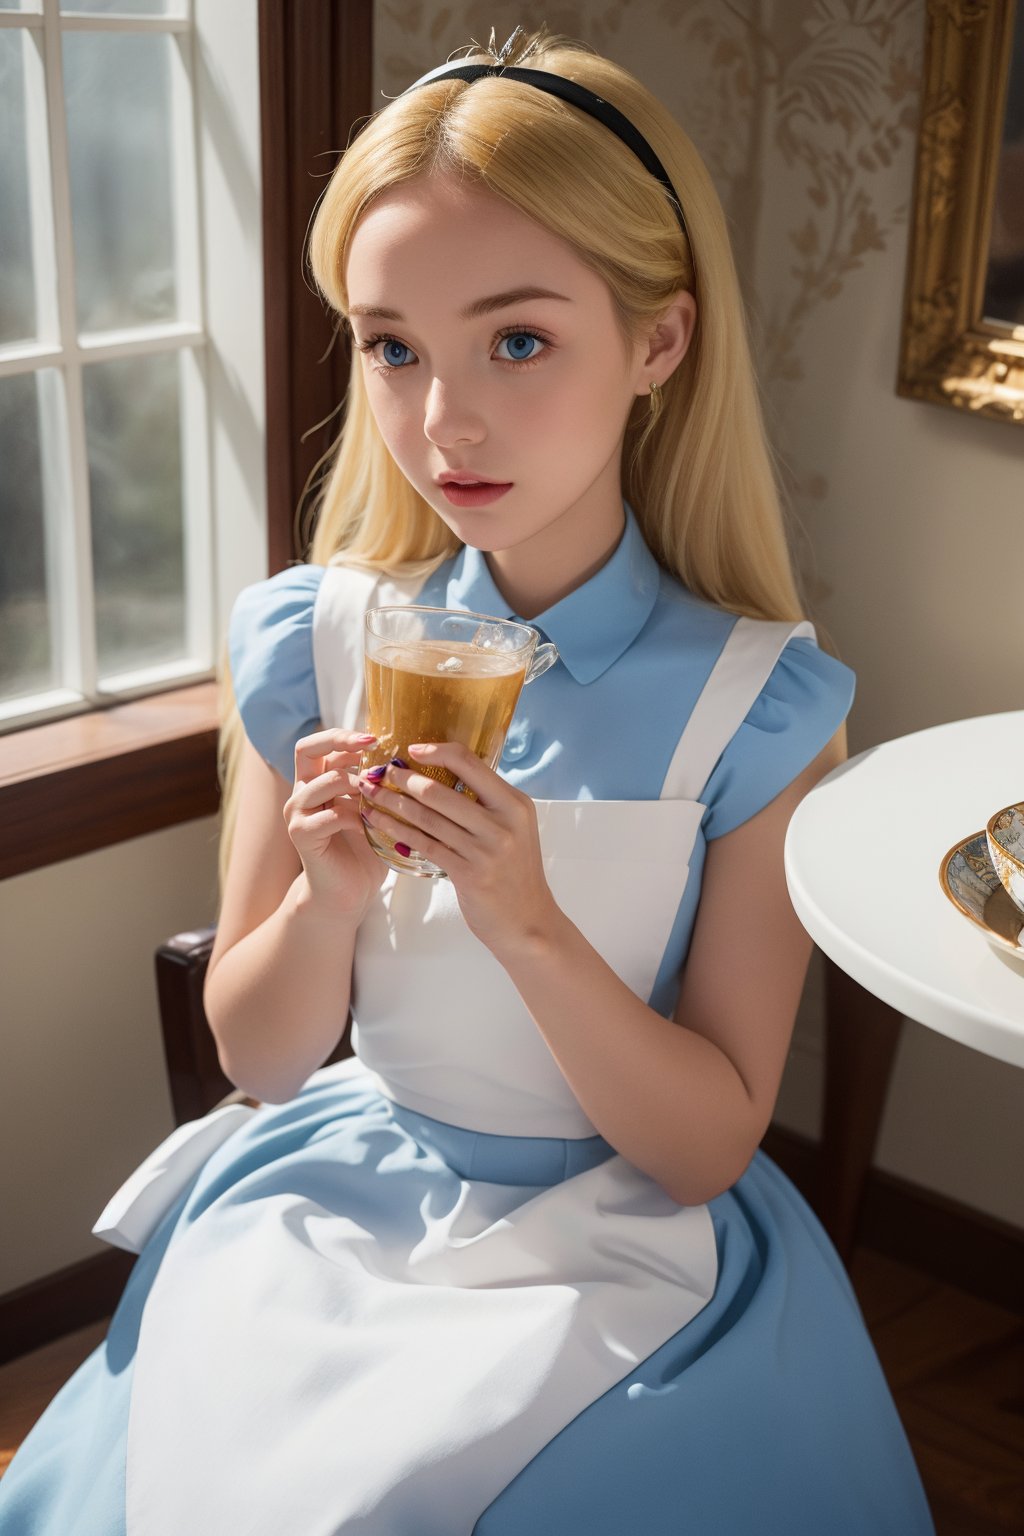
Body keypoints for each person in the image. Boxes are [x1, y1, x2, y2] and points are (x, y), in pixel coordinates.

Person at [0, 26, 935, 1536]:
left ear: (660, 342)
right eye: (392, 347)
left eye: (516, 340)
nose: (446, 422)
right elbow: (259, 1059)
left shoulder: (761, 705)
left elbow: (706, 1144)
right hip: (343, 1201)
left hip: (627, 1247)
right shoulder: (313, 639)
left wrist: (527, 918)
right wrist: (326, 899)